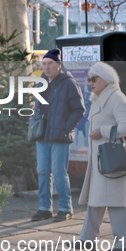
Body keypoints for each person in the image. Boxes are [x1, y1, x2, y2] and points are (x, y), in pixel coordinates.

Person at [78, 62, 126, 251]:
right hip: (101, 160)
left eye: (93, 78)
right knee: (96, 200)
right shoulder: (100, 97)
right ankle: (87, 240)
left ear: (105, 79)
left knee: (116, 202)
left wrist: (102, 131)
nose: (90, 82)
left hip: (112, 160)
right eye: (89, 79)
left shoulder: (116, 97)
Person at [31, 49, 85, 222]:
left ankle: (65, 207)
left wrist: (65, 128)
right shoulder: (41, 82)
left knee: (58, 172)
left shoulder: (69, 83)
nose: (46, 67)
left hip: (59, 136)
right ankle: (45, 208)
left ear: (59, 65)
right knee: (43, 172)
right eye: (44, 64)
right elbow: (37, 108)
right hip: (42, 135)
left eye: (50, 64)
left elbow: (79, 109)